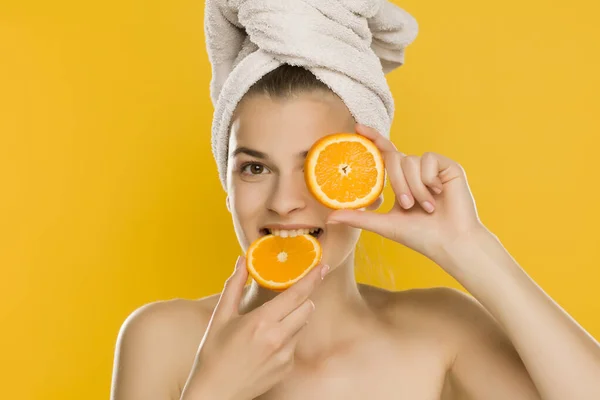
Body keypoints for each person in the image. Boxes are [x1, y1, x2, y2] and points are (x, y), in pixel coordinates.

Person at [110, 2, 600, 400]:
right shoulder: (161, 339)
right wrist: (212, 391)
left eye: (317, 166)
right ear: (228, 184)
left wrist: (469, 246)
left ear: (365, 176)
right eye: (255, 168)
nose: (283, 203)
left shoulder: (440, 336)